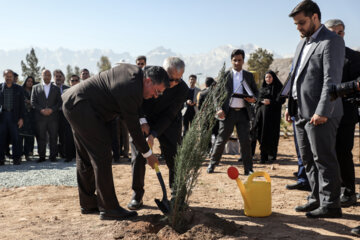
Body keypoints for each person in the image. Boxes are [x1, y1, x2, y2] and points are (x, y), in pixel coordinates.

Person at [62, 64, 169, 220]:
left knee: (85, 155)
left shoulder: (134, 76)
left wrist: (142, 121)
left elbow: (135, 107)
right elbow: (132, 127)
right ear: (148, 81)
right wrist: (148, 154)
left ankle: (88, 203)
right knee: (102, 154)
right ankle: (109, 208)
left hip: (75, 102)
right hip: (82, 106)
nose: (156, 96)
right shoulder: (130, 86)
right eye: (157, 91)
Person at [284, 0, 345, 218]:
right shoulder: (302, 43)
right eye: (296, 24)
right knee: (308, 159)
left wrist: (322, 111)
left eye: (302, 23)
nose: (299, 27)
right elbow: (296, 77)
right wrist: (290, 104)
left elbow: (332, 80)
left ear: (315, 18)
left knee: (323, 158)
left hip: (321, 114)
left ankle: (331, 205)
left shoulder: (332, 42)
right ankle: (316, 197)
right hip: (301, 111)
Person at [128, 57, 188, 210]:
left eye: (177, 80)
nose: (173, 83)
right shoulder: (147, 75)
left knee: (174, 156)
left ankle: (177, 194)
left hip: (168, 123)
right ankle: (137, 194)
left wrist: (153, 134)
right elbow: (136, 101)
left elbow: (170, 115)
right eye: (170, 79)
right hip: (143, 119)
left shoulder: (182, 89)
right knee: (138, 156)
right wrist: (143, 121)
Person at [325, 19, 360, 208]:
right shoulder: (322, 54)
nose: (337, 36)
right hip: (324, 113)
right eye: (332, 32)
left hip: (346, 113)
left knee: (343, 152)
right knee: (327, 153)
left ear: (343, 34)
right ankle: (333, 191)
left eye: (340, 33)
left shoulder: (354, 57)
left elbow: (357, 85)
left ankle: (349, 192)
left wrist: (335, 91)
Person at [207, 49, 258, 175]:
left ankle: (248, 169)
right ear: (231, 61)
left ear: (243, 61)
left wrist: (254, 99)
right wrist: (218, 108)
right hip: (227, 113)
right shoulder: (224, 76)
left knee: (245, 141)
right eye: (234, 60)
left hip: (243, 114)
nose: (237, 63)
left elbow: (256, 93)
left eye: (239, 60)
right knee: (221, 140)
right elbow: (215, 95)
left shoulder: (249, 76)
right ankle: (212, 164)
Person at [31, 69, 62, 162]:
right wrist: (41, 110)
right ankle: (42, 156)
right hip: (40, 117)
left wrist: (52, 109)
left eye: (49, 75)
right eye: (45, 75)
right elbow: (33, 102)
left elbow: (59, 102)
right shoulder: (35, 88)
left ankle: (53, 156)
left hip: (53, 117)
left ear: (51, 77)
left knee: (53, 137)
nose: (47, 76)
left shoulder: (56, 88)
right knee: (41, 137)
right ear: (42, 75)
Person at [254, 71, 285, 163]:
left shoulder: (278, 88)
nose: (268, 79)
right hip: (262, 117)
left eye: (270, 77)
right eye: (266, 77)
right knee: (261, 134)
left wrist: (271, 102)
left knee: (272, 135)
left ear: (273, 78)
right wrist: (261, 101)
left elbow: (281, 100)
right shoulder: (262, 88)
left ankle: (271, 155)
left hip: (273, 117)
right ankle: (263, 155)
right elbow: (257, 100)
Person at [0, 69, 24, 165]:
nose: (9, 78)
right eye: (7, 76)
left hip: (14, 116)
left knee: (16, 139)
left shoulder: (19, 88)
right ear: (4, 76)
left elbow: (22, 105)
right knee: (1, 138)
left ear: (13, 77)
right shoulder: (0, 87)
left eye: (10, 76)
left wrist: (21, 118)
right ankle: (1, 159)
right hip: (2, 116)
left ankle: (16, 158)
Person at [18, 76, 36, 161]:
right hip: (22, 116)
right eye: (28, 81)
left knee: (29, 137)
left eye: (31, 81)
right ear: (25, 81)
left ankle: (27, 154)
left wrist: (31, 103)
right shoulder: (20, 90)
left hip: (31, 117)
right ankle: (19, 155)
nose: (30, 83)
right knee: (20, 137)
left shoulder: (34, 91)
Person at [54, 69, 69, 159]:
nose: (58, 78)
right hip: (54, 114)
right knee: (53, 134)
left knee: (64, 134)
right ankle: (54, 153)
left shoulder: (67, 88)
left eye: (60, 76)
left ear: (63, 78)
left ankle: (63, 152)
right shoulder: (50, 88)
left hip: (64, 114)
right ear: (54, 78)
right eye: (56, 76)